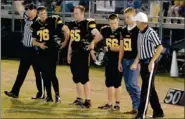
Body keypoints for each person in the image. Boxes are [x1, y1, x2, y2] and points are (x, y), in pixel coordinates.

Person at [4, 1, 44, 99]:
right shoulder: (27, 18)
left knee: (38, 73)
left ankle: (41, 94)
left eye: (30, 10)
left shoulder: (39, 22)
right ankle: (15, 92)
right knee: (21, 72)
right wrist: (18, 1)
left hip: (36, 51)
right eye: (27, 10)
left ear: (35, 11)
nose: (28, 12)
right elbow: (19, 8)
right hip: (26, 50)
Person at [31, 6, 70, 102]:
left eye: (44, 13)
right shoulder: (35, 24)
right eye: (41, 14)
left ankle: (57, 95)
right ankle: (49, 96)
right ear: (38, 15)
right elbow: (33, 41)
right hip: (42, 52)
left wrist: (65, 42)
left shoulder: (53, 20)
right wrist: (40, 44)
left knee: (52, 73)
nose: (43, 15)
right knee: (44, 74)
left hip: (52, 51)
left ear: (46, 13)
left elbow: (66, 29)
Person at [131, 12, 164, 119]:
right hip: (143, 62)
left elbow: (160, 47)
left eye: (137, 21)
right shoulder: (140, 32)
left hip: (150, 62)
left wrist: (152, 61)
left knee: (146, 89)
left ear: (141, 22)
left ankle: (141, 114)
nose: (135, 22)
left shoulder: (151, 32)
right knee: (150, 88)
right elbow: (141, 50)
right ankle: (158, 111)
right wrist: (136, 61)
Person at [67, 5, 101, 108]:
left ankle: (88, 100)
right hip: (75, 53)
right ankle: (79, 98)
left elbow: (99, 35)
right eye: (74, 13)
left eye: (77, 13)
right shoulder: (72, 24)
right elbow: (71, 40)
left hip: (83, 53)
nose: (75, 15)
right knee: (76, 78)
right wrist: (69, 53)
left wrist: (92, 43)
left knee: (84, 78)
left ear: (82, 13)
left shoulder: (87, 23)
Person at [92, 14, 122, 110]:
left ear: (118, 21)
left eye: (115, 23)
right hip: (108, 60)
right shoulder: (105, 30)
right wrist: (92, 46)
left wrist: (109, 48)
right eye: (111, 23)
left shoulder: (122, 31)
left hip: (118, 60)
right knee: (109, 82)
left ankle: (117, 104)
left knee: (117, 83)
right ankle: (109, 103)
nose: (113, 25)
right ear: (109, 22)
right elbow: (96, 39)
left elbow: (122, 48)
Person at [118, 7, 140, 114]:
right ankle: (135, 106)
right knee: (127, 85)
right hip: (125, 60)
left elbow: (141, 49)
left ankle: (141, 105)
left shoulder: (139, 30)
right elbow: (122, 47)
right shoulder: (123, 30)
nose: (126, 19)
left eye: (128, 17)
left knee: (132, 83)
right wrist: (119, 61)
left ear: (134, 17)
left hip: (134, 60)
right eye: (125, 17)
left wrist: (136, 62)